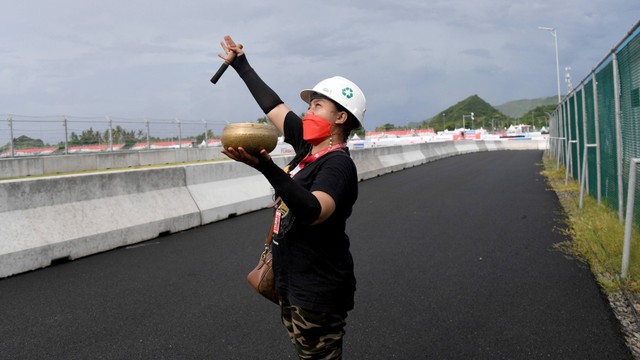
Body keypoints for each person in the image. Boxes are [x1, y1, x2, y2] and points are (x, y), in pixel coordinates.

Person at [217, 35, 365, 359]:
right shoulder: (307, 147)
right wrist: (241, 64)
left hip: (318, 292)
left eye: (317, 105)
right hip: (292, 284)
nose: (307, 112)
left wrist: (268, 168)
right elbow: (272, 105)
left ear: (341, 117)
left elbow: (313, 210)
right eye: (309, 105)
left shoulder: (338, 165)